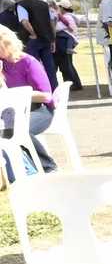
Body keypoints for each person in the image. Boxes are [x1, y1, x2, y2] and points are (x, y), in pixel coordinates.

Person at [0, 25, 58, 172]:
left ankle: (48, 166)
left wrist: (21, 94)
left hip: (42, 111)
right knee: (5, 131)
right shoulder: (3, 65)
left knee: (20, 129)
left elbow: (46, 96)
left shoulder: (28, 62)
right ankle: (23, 171)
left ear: (6, 43)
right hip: (14, 112)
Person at [15, 0, 57, 90]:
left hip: (33, 40)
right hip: (46, 38)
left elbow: (24, 21)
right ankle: (53, 89)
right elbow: (51, 22)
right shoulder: (43, 4)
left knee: (33, 67)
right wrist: (52, 39)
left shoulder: (21, 5)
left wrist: (33, 33)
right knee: (49, 67)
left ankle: (39, 90)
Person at [52, 1, 83, 91]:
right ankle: (72, 84)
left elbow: (57, 28)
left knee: (66, 65)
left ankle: (74, 84)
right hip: (65, 42)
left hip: (63, 42)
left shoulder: (66, 17)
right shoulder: (69, 16)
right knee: (66, 64)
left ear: (62, 7)